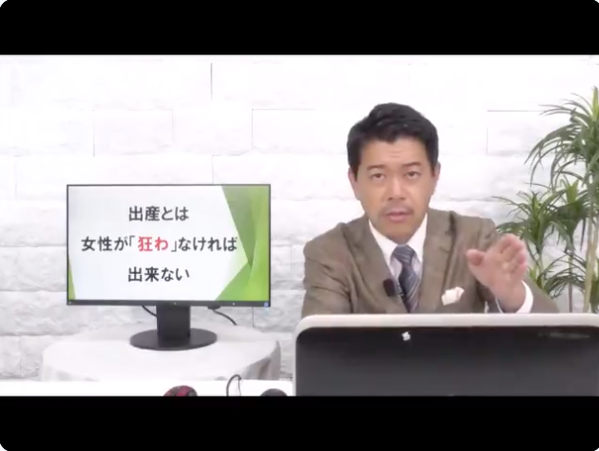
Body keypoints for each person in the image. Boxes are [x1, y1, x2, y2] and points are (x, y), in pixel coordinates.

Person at [301, 103, 558, 317]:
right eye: (378, 176)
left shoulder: (473, 238)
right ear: (354, 182)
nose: (396, 192)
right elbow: (321, 347)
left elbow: (551, 328)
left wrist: (511, 294)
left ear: (435, 176)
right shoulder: (330, 253)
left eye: (411, 174)